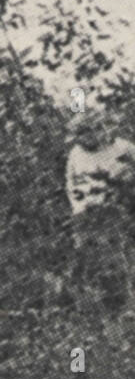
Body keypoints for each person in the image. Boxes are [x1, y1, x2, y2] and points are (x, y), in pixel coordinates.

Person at [66, 116, 135, 309]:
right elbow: (71, 185)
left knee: (122, 256)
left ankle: (127, 304)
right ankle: (107, 306)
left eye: (90, 131)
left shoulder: (121, 147)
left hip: (119, 210)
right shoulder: (76, 154)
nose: (86, 138)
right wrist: (80, 209)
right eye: (80, 134)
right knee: (94, 262)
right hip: (88, 214)